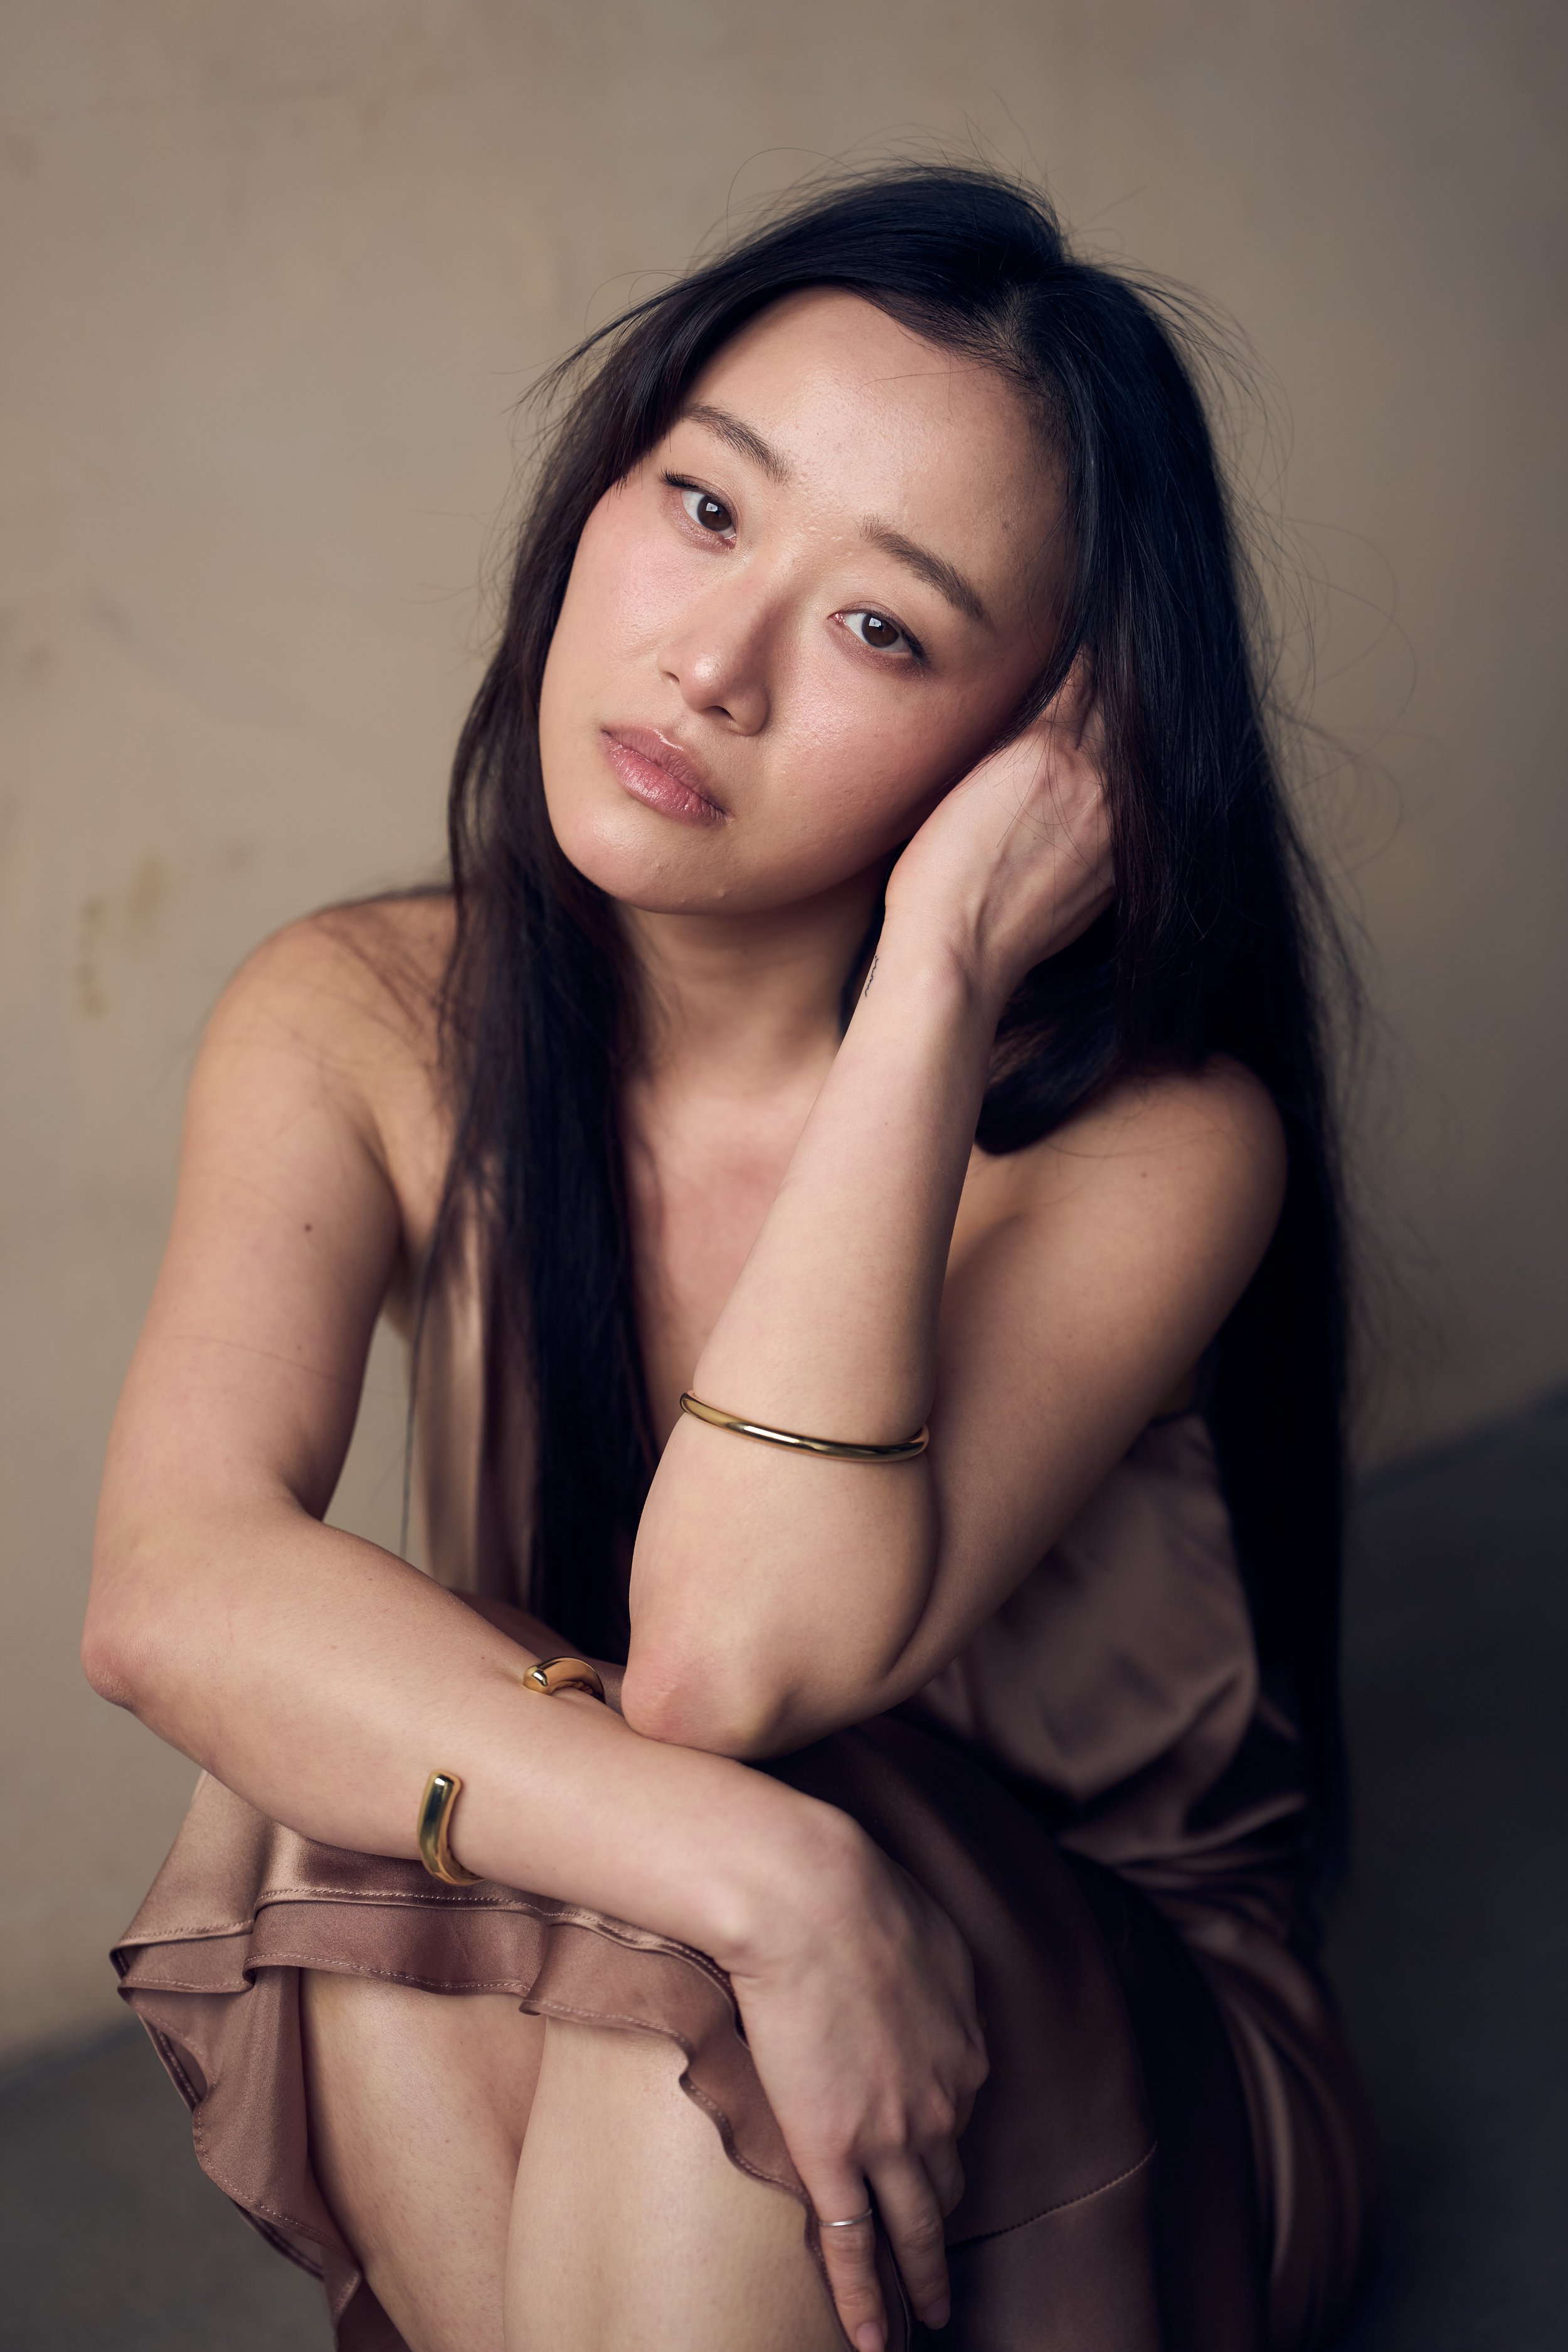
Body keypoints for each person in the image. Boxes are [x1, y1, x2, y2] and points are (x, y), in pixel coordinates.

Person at [84, 165, 1374, 2352]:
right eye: (702, 508)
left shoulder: (1151, 1137)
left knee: (587, 1874)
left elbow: (720, 1672)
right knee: (374, 1779)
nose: (712, 665)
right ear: (598, 489)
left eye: (883, 631)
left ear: (1041, 750)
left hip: (1109, 2077)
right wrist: (765, 1882)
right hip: (700, 1961)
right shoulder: (357, 1013)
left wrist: (940, 964)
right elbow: (172, 1591)